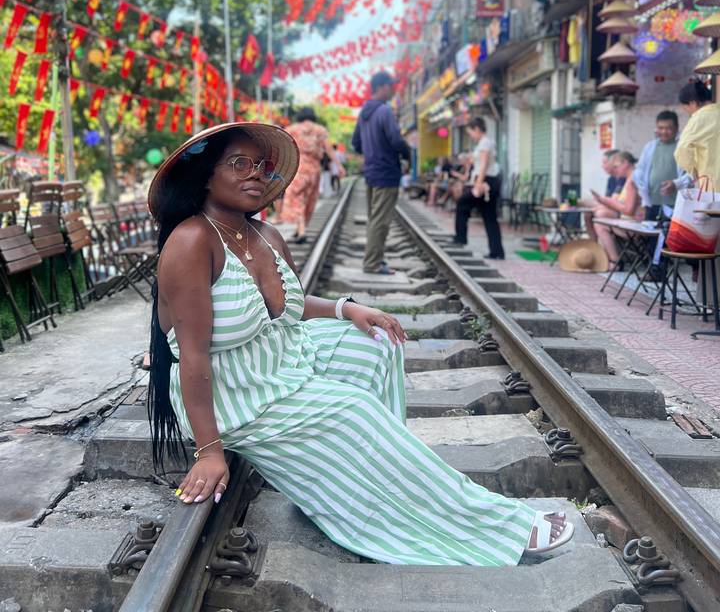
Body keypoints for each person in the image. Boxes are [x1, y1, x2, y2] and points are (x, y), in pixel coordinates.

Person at [147, 121, 572, 565]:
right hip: (239, 393)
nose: (255, 173)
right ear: (205, 174)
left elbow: (284, 305)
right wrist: (209, 452)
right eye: (239, 163)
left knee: (377, 344)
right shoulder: (192, 241)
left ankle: (370, 480)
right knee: (354, 409)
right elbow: (193, 355)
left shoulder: (262, 235)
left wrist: (346, 309)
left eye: (262, 165)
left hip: (283, 359)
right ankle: (495, 523)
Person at [352, 72, 411, 275]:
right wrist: (408, 153)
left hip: (371, 172)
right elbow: (395, 140)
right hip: (386, 172)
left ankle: (375, 258)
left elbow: (356, 143)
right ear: (382, 87)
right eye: (391, 86)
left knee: (374, 218)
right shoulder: (385, 111)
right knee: (381, 221)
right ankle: (372, 263)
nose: (394, 89)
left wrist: (371, 152)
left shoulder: (365, 113)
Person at [453, 118, 505, 259]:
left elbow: (483, 165)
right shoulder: (485, 143)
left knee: (462, 203)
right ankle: (497, 252)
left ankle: (460, 238)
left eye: (470, 132)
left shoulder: (485, 143)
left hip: (485, 182)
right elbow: (479, 162)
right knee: (489, 217)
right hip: (489, 181)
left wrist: (478, 185)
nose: (471, 136)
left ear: (476, 129)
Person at [281, 107, 332, 244]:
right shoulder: (320, 130)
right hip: (314, 169)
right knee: (309, 199)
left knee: (296, 198)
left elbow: (283, 145)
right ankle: (299, 230)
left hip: (299, 167)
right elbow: (328, 149)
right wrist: (338, 166)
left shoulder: (293, 129)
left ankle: (301, 230)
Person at [634, 111, 692, 220]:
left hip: (676, 205)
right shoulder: (649, 147)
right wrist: (641, 189)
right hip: (652, 205)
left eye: (668, 128)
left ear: (676, 128)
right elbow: (639, 169)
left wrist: (676, 184)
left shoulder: (683, 147)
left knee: (671, 237)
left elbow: (692, 175)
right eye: (660, 128)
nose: (664, 131)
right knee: (649, 236)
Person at [590, 151, 641, 265]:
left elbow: (629, 210)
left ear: (625, 163)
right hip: (632, 222)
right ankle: (610, 257)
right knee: (600, 217)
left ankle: (615, 261)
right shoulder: (631, 178)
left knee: (599, 223)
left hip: (635, 227)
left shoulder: (632, 181)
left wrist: (604, 201)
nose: (614, 170)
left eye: (616, 167)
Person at [675, 80, 720, 184]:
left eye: (686, 108)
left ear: (693, 103)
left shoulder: (697, 119)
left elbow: (682, 149)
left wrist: (692, 169)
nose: (688, 112)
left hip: (711, 183)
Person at [583, 149, 624, 240]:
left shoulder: (623, 177)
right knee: (587, 211)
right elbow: (607, 200)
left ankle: (599, 244)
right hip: (612, 207)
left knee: (597, 212)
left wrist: (599, 204)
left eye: (605, 163)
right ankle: (593, 243)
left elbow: (613, 202)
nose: (602, 166)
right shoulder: (611, 179)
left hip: (621, 211)